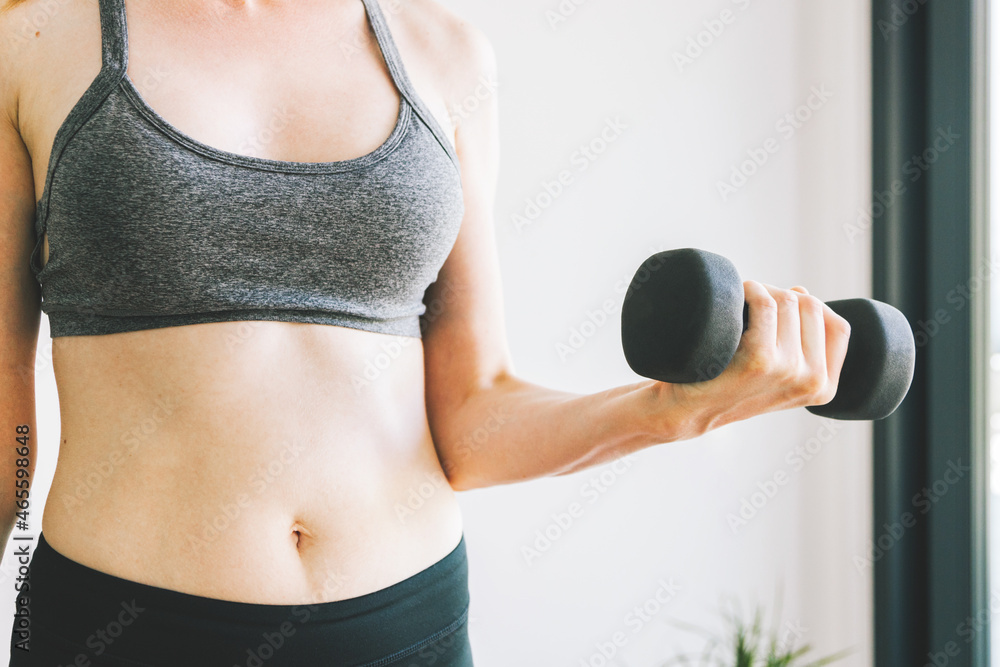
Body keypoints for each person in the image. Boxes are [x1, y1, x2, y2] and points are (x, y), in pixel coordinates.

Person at [0, 0, 852, 664]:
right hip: (126, 631)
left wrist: (668, 411)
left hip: (408, 625)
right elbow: (8, 424)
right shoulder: (34, 40)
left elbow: (474, 415)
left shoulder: (442, 54)